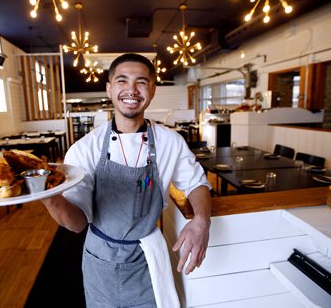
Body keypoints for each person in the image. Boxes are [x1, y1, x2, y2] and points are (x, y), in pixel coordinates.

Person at [42, 53, 211, 307]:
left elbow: (197, 183)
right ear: (109, 89)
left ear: (152, 90)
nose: (132, 89)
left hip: (148, 258)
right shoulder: (85, 148)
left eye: (141, 81)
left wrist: (201, 220)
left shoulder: (170, 141)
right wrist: (47, 195)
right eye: (122, 80)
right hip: (100, 259)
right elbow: (76, 223)